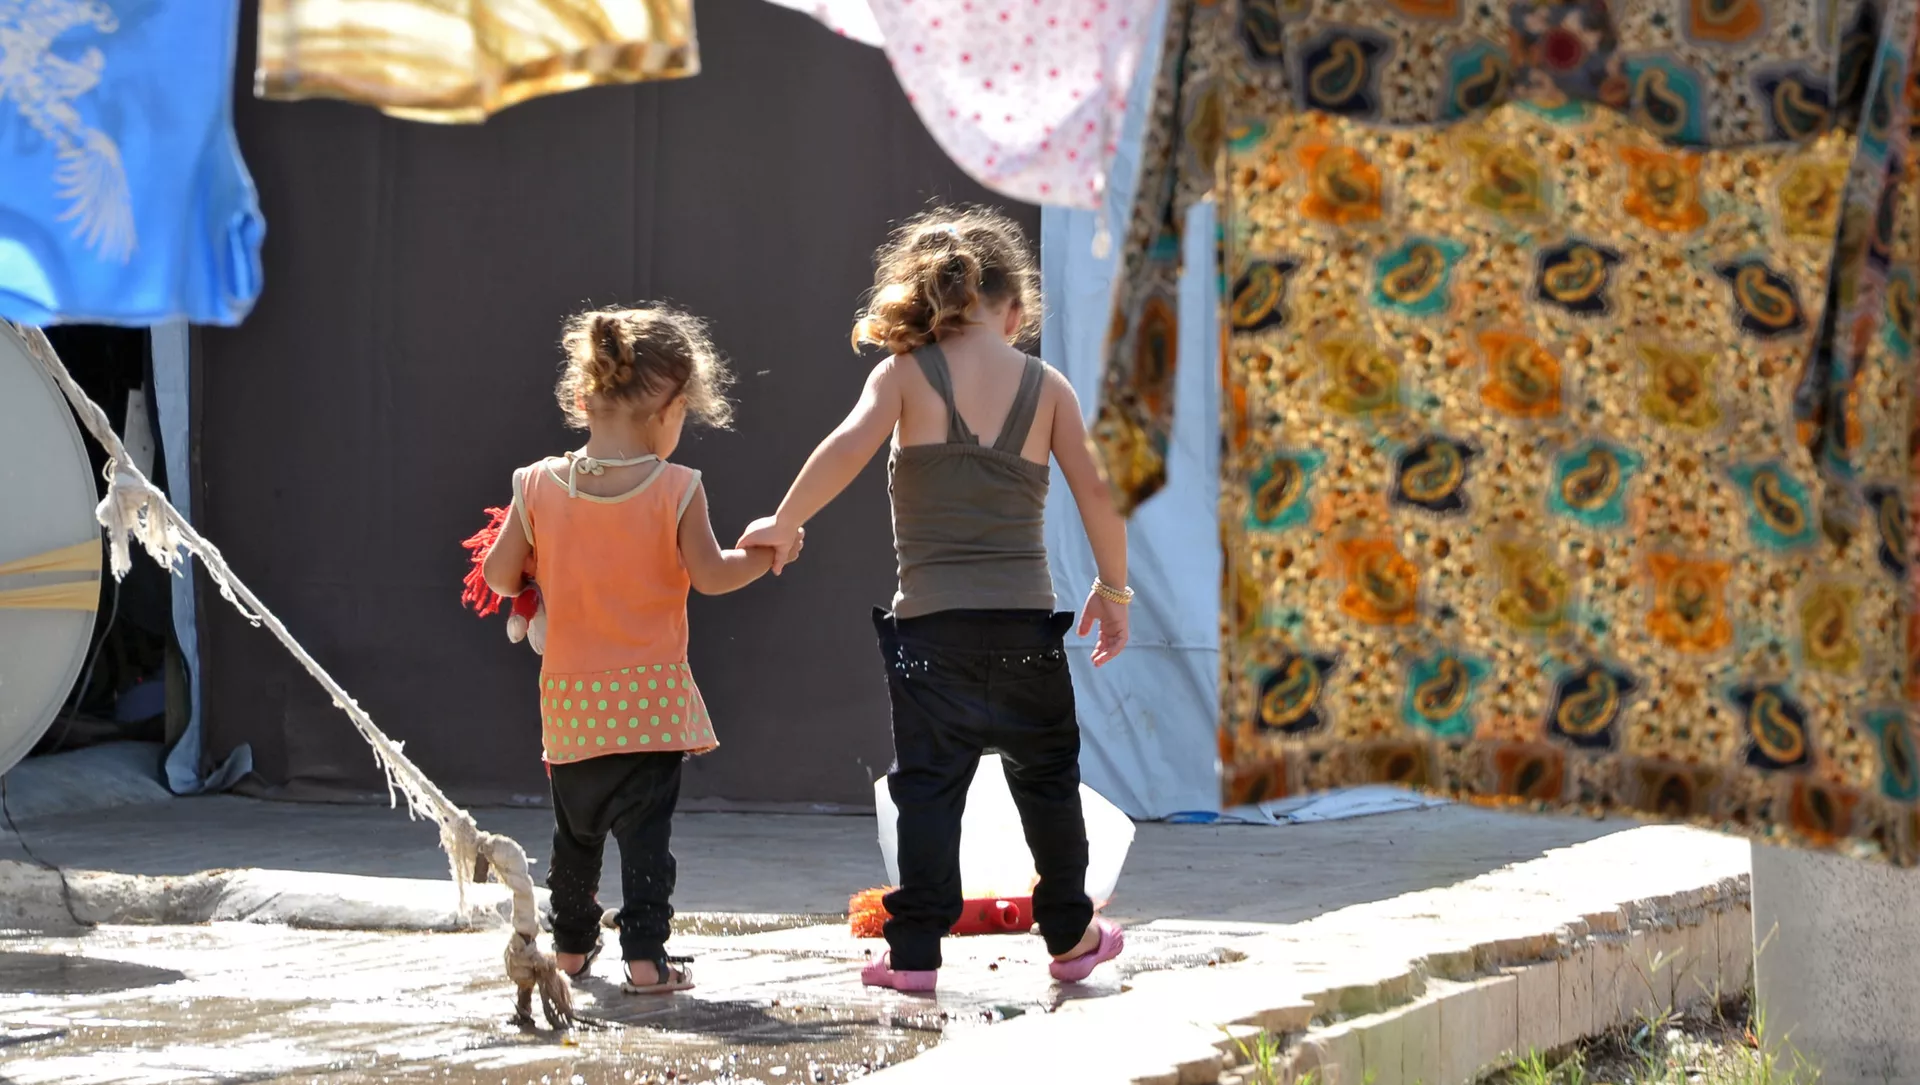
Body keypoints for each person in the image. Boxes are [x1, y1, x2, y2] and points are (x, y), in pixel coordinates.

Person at [739, 207, 1132, 991]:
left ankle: (914, 952)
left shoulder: (902, 375)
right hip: (1025, 632)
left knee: (927, 790)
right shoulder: (1046, 386)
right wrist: (1113, 589)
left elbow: (845, 448)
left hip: (929, 635)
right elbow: (1097, 488)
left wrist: (784, 521)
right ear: (1014, 311)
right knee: (1048, 784)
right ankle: (1070, 932)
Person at [482, 304, 796, 994]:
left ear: (581, 397)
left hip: (570, 707)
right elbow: (712, 575)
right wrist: (766, 553)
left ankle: (570, 952)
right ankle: (647, 960)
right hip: (650, 707)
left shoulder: (536, 484)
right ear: (670, 409)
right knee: (646, 840)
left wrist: (537, 562)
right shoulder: (677, 488)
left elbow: (499, 577)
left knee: (575, 837)